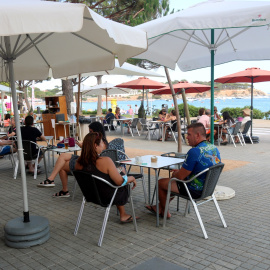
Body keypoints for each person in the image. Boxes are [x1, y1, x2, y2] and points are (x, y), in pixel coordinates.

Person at [145, 122, 221, 218]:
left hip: (194, 190)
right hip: (208, 187)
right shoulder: (213, 148)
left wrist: (176, 174)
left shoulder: (194, 151)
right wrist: (179, 174)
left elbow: (181, 176)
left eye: (189, 134)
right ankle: (159, 207)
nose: (187, 137)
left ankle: (164, 212)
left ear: (197, 135)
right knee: (174, 181)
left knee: (162, 183)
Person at [37, 122, 126, 196]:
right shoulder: (102, 140)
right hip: (88, 160)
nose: (89, 132)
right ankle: (52, 180)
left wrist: (83, 146)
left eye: (90, 131)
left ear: (95, 131)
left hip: (89, 163)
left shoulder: (99, 141)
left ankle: (61, 188)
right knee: (63, 156)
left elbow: (93, 153)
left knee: (62, 164)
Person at [76, 132, 137, 223]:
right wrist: (131, 178)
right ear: (95, 146)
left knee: (117, 175)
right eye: (102, 142)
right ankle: (123, 215)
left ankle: (123, 214)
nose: (104, 144)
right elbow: (120, 182)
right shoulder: (105, 160)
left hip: (90, 196)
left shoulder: (78, 162)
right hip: (107, 197)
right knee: (123, 182)